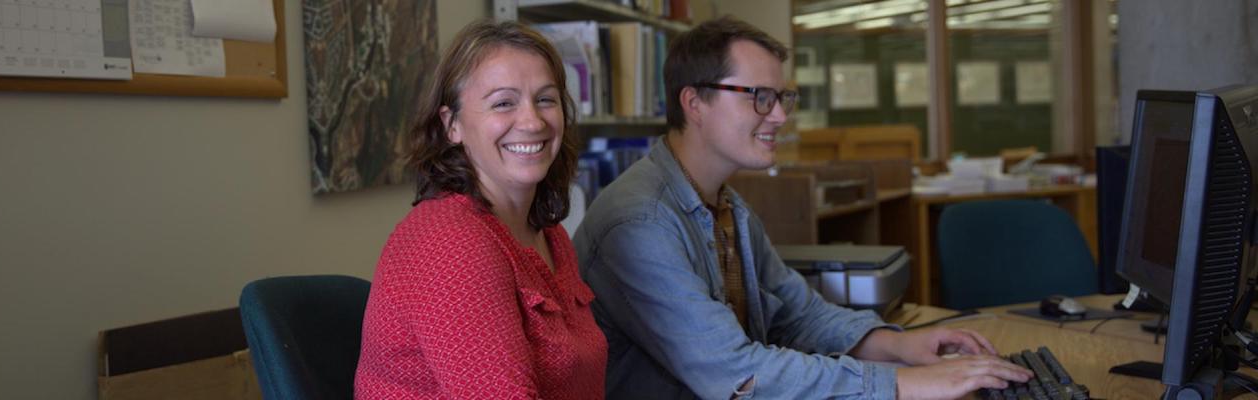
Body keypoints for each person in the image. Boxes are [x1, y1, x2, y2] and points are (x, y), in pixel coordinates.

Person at [573, 16, 1031, 399]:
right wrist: (900, 383)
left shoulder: (727, 205)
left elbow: (796, 314)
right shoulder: (640, 224)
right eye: (760, 97)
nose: (779, 116)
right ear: (694, 102)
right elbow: (735, 374)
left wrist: (900, 346)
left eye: (782, 98)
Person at [352, 20, 606, 399]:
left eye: (546, 99)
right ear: (452, 124)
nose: (532, 121)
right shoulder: (448, 244)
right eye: (503, 103)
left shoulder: (550, 234)